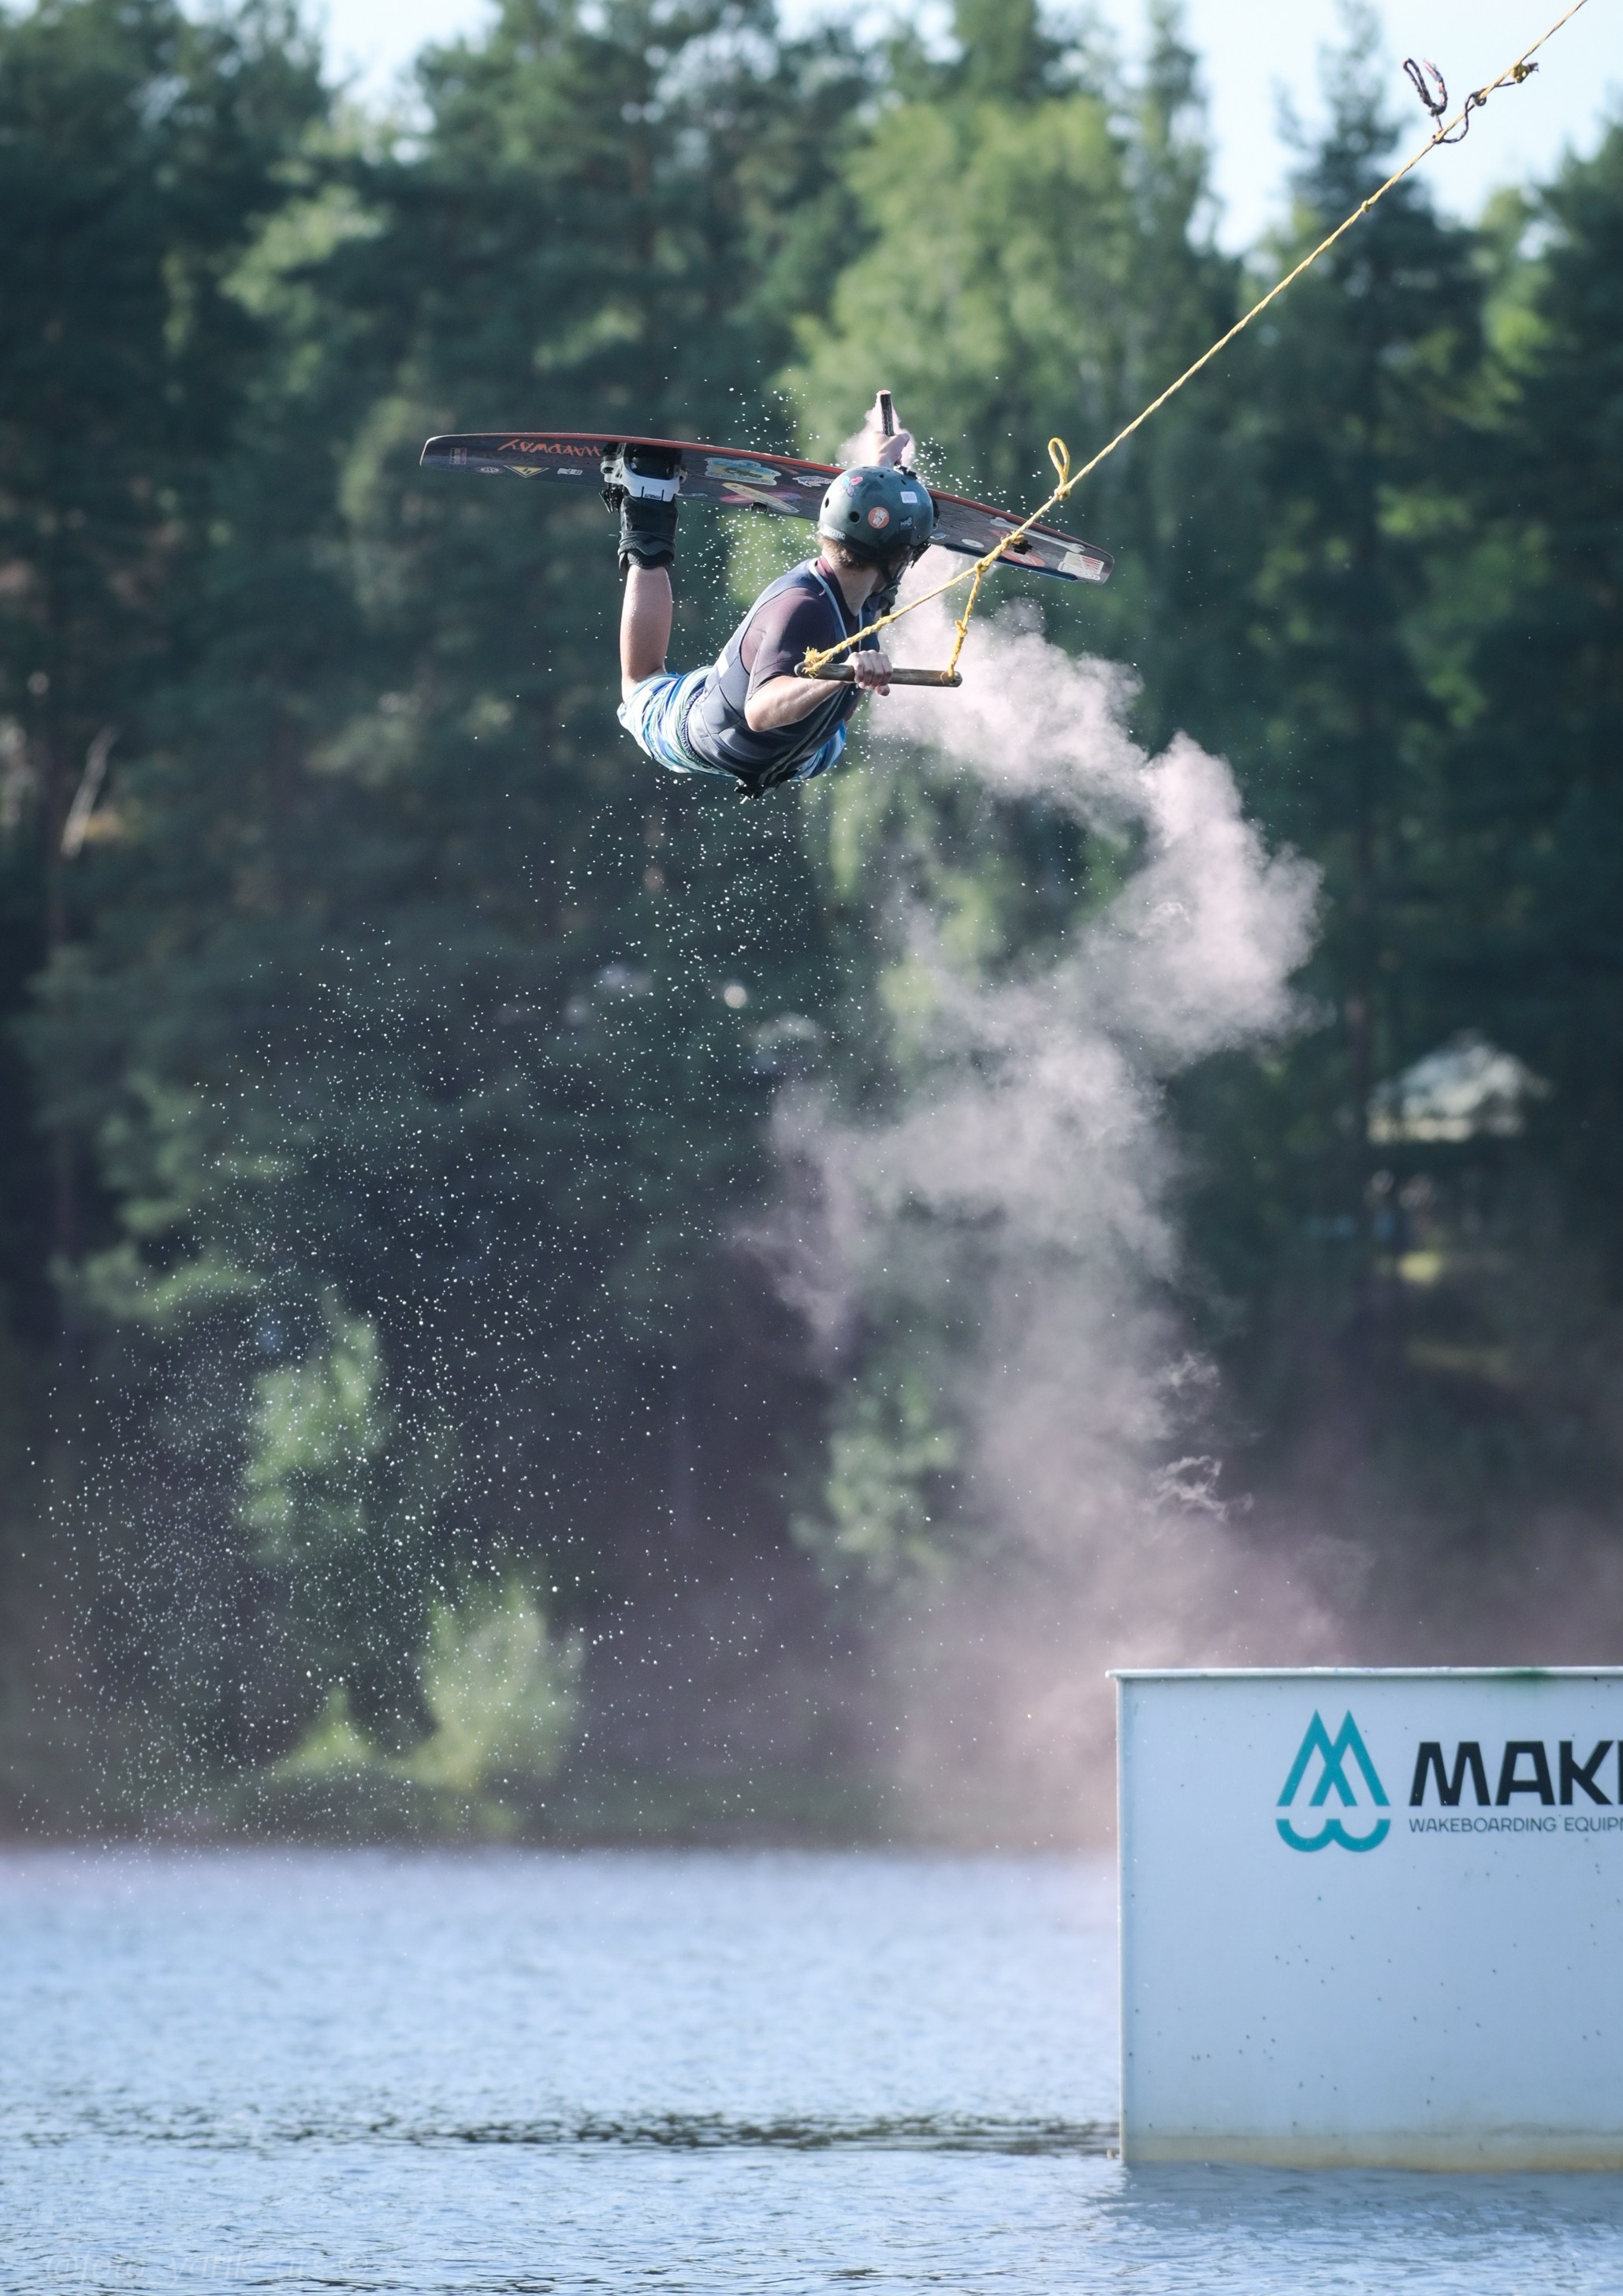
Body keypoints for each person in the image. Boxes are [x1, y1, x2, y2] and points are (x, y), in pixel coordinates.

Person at [609, 395, 936, 797]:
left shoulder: (859, 588)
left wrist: (878, 468)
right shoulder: (801, 609)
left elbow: (868, 532)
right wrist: (841, 675)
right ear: (898, 557)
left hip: (805, 757)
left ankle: (881, 507)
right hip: (708, 740)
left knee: (874, 602)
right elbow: (760, 711)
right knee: (641, 684)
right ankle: (648, 501)